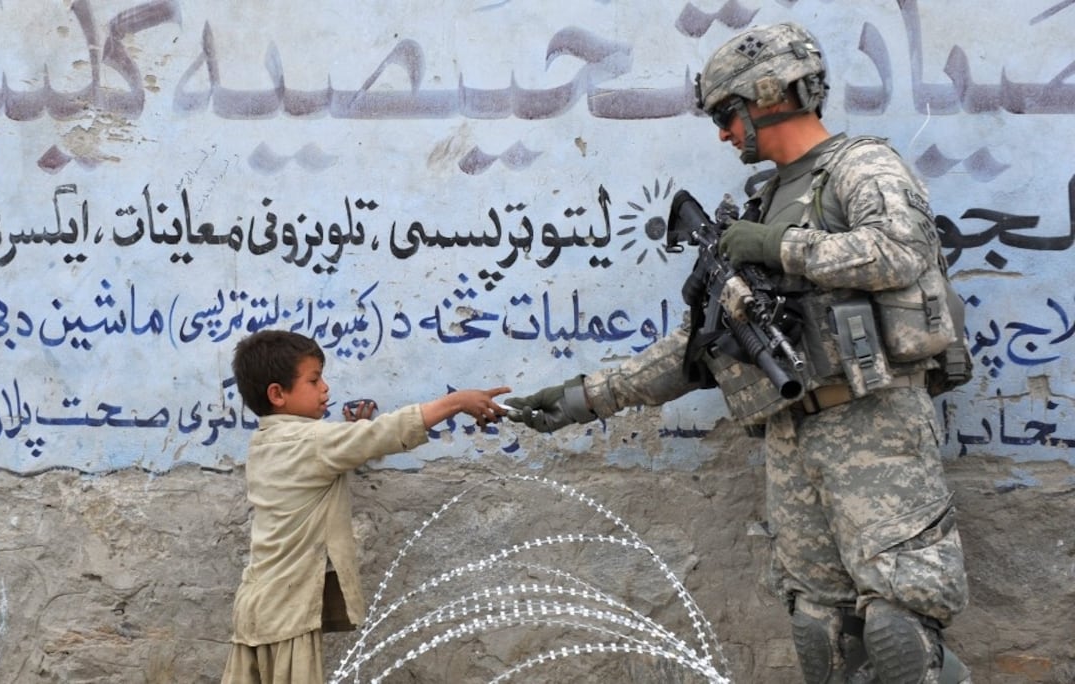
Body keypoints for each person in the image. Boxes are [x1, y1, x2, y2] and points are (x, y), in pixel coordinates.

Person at [505, 22, 973, 684]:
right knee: (822, 630)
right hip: (792, 434)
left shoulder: (862, 166)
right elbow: (702, 347)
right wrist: (585, 396)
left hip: (874, 423)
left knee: (898, 627)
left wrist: (779, 247)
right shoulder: (764, 198)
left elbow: (903, 252)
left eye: (728, 114)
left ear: (768, 95)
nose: (724, 133)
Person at [222, 329, 509, 684]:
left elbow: (336, 447)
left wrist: (352, 431)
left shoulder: (265, 441)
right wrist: (456, 402)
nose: (325, 388)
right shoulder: (311, 442)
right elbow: (381, 434)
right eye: (314, 380)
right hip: (285, 615)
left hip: (256, 605)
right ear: (278, 394)